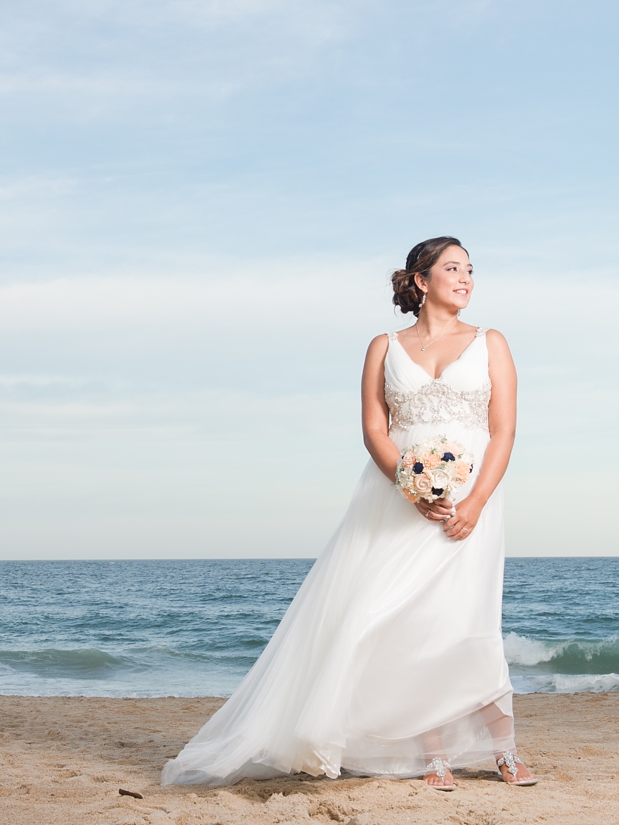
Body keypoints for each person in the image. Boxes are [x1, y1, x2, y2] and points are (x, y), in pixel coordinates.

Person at [161, 237, 537, 790]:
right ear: (420, 280)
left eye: (470, 270)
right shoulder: (384, 346)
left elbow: (503, 430)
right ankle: (433, 755)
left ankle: (503, 748)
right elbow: (373, 430)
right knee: (395, 619)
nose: (466, 279)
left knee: (464, 620)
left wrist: (475, 501)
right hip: (397, 499)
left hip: (469, 498)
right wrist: (410, 486)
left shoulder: (491, 342)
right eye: (452, 269)